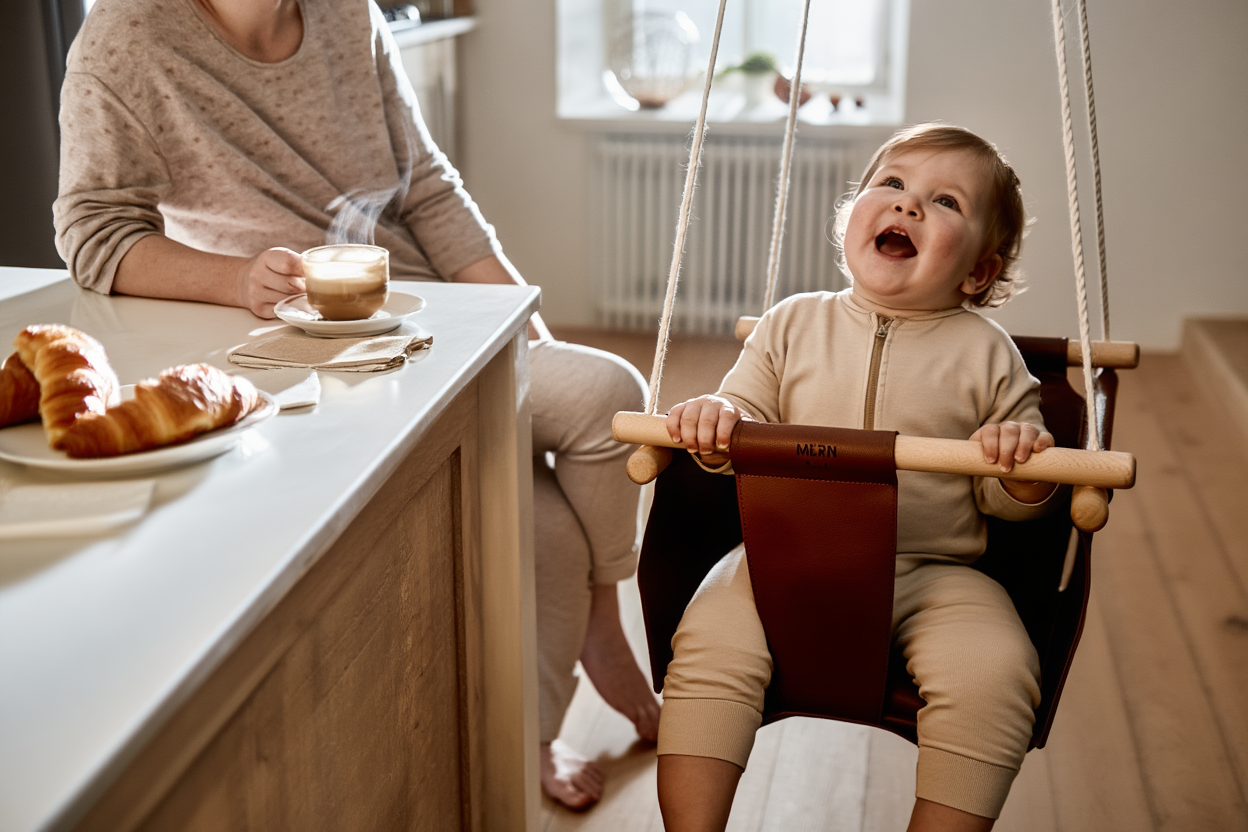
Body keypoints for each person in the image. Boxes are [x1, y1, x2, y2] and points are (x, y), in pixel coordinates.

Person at [53, 0, 659, 809]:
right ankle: (583, 667)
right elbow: (94, 232)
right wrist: (235, 280)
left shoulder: (349, 12)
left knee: (563, 476)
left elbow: (430, 190)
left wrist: (526, 331)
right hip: (297, 345)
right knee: (595, 424)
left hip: (429, 316)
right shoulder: (130, 36)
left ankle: (575, 667)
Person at [656, 123, 1061, 831]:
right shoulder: (790, 324)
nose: (908, 205)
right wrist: (717, 418)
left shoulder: (989, 354)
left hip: (933, 573)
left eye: (945, 201)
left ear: (978, 272)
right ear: (851, 216)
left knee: (996, 669)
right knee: (710, 643)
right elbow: (741, 417)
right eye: (892, 184)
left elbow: (1009, 499)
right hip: (777, 560)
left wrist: (1020, 462)